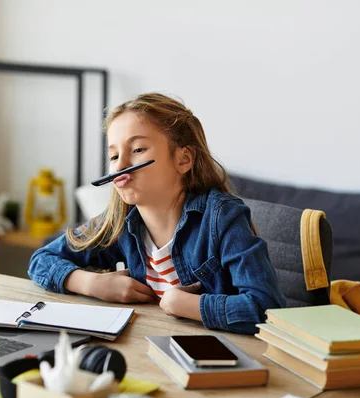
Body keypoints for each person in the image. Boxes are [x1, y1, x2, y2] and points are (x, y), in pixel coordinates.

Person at [28, 92, 286, 334]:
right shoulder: (118, 222)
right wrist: (92, 284)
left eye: (138, 150)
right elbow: (42, 259)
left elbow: (267, 309)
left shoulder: (222, 218)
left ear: (183, 159)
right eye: (114, 155)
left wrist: (185, 304)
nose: (121, 165)